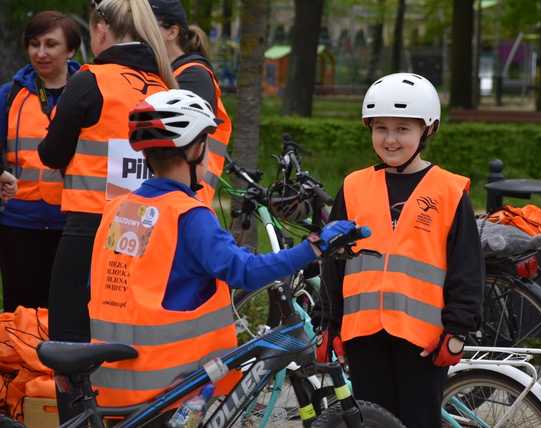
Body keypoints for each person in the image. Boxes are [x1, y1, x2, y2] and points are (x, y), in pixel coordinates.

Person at [88, 89, 358, 414]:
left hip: (112, 382)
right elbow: (245, 270)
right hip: (170, 387)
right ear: (195, 149)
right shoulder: (188, 215)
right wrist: (314, 247)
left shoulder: (120, 208)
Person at [314, 73, 484, 428]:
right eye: (381, 128)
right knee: (371, 421)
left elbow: (466, 268)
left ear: (427, 130)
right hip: (363, 337)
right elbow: (334, 262)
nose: (390, 139)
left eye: (403, 129)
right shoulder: (354, 186)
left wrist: (456, 331)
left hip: (422, 342)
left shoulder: (449, 191)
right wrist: (329, 323)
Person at [37, 0, 177, 348]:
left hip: (89, 222)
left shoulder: (90, 80)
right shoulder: (163, 85)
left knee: (69, 330)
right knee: (119, 321)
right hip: (141, 221)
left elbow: (51, 152)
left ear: (101, 29)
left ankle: (76, 402)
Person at [0, 11, 81, 312]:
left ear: (70, 50)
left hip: (73, 223)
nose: (41, 53)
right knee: (18, 314)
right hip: (18, 223)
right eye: (34, 44)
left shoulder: (90, 94)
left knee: (67, 314)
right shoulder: (9, 96)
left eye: (51, 44)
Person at [149, 0, 232, 206]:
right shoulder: (167, 75)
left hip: (187, 200)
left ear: (172, 32)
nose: (141, 32)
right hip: (171, 198)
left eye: (149, 25)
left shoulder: (193, 76)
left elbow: (174, 141)